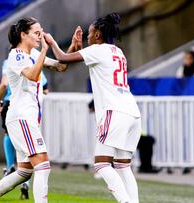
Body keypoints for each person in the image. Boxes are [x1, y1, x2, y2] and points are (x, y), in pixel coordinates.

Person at [0, 17, 81, 203]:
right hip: (21, 117)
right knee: (43, 166)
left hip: (25, 118)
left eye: (41, 32)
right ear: (23, 34)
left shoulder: (32, 54)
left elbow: (61, 66)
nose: (40, 36)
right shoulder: (17, 55)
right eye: (36, 33)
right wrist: (45, 49)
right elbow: (31, 75)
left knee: (24, 171)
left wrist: (71, 48)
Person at [45, 12, 142, 203]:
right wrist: (77, 48)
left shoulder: (98, 50)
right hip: (132, 112)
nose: (88, 37)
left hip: (114, 112)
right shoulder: (118, 52)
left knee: (101, 165)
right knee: (123, 167)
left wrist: (51, 42)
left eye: (90, 33)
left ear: (98, 35)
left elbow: (62, 58)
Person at [0, 59, 50, 200]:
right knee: (31, 154)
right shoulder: (36, 60)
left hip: (13, 105)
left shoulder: (11, 59)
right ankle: (25, 182)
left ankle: (9, 166)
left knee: (11, 136)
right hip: (32, 110)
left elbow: (4, 84)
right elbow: (45, 88)